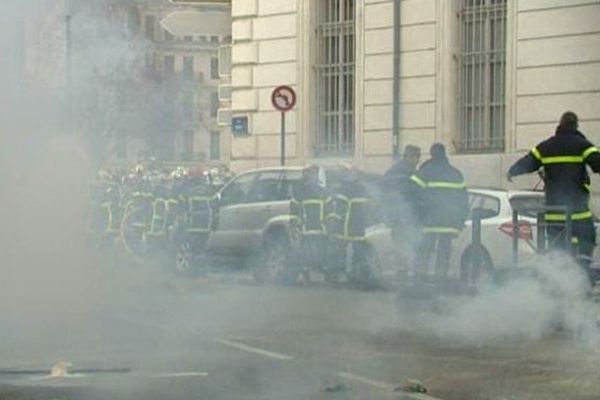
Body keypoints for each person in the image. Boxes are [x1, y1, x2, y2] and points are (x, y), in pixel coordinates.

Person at [507, 111, 600, 286]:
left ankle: (556, 284)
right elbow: (598, 161)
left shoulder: (546, 146)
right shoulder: (582, 145)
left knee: (558, 251)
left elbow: (528, 162)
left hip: (554, 214)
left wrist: (512, 171)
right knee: (587, 238)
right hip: (577, 213)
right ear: (575, 126)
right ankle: (582, 274)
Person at [411, 143, 469, 283]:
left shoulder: (425, 171)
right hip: (449, 223)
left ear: (432, 154)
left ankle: (420, 278)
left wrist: (416, 217)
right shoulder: (456, 174)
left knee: (425, 250)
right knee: (444, 252)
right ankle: (440, 279)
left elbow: (413, 194)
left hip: (429, 222)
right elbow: (464, 200)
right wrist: (460, 221)